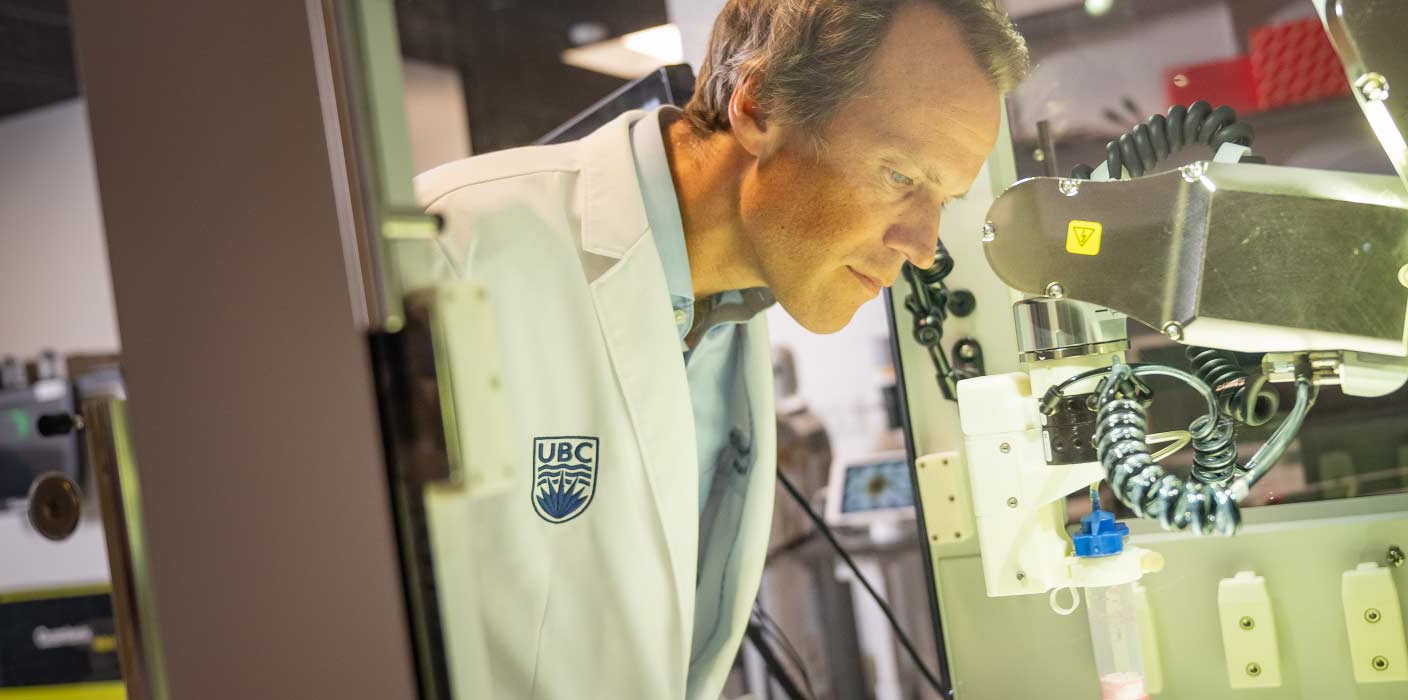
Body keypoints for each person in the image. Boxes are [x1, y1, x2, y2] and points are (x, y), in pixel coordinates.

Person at [415, 1, 1027, 697]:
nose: (922, 246)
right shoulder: (454, 250)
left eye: (943, 199)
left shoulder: (733, 313)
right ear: (760, 106)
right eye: (900, 177)